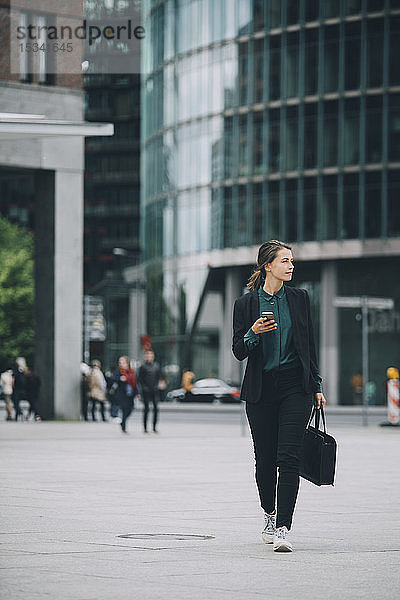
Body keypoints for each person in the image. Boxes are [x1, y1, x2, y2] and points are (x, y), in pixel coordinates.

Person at [232, 240, 327, 553]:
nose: (291, 266)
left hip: (295, 389)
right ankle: (269, 515)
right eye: (285, 261)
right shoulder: (245, 304)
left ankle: (284, 527)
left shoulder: (299, 299)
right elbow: (238, 351)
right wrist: (253, 333)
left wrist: (316, 386)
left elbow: (309, 347)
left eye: (292, 261)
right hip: (261, 389)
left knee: (289, 457)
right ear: (267, 266)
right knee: (265, 461)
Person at [111, 356, 138, 433]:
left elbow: (135, 383)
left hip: (130, 394)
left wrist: (137, 393)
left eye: (122, 362)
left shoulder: (131, 372)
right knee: (124, 409)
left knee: (130, 408)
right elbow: (113, 379)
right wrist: (120, 379)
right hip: (122, 394)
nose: (121, 364)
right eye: (120, 362)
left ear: (127, 363)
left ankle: (123, 421)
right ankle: (124, 427)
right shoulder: (118, 372)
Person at [138, 349, 161, 433]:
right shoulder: (143, 366)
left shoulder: (156, 366)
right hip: (146, 391)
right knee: (146, 409)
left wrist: (157, 385)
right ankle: (145, 427)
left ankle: (154, 427)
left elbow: (158, 377)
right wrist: (144, 387)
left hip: (154, 390)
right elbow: (140, 379)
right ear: (145, 357)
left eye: (151, 355)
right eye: (148, 356)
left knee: (156, 408)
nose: (149, 357)